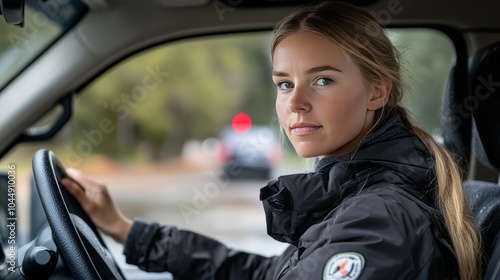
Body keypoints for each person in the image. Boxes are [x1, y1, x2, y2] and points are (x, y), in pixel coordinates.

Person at [61, 1, 481, 279]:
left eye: (322, 80)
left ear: (377, 91)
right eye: (284, 84)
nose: (296, 102)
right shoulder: (354, 194)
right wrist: (126, 231)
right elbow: (267, 274)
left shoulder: (378, 217)